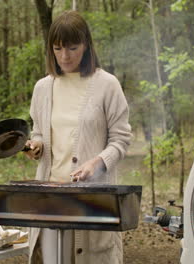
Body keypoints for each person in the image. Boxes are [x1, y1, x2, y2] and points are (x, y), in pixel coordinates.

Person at [24, 10, 132, 264]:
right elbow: (39, 131)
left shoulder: (107, 84)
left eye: (72, 48)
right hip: (49, 202)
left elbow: (121, 139)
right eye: (58, 48)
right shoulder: (43, 88)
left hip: (91, 201)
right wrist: (36, 146)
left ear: (86, 46)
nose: (64, 56)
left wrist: (97, 161)